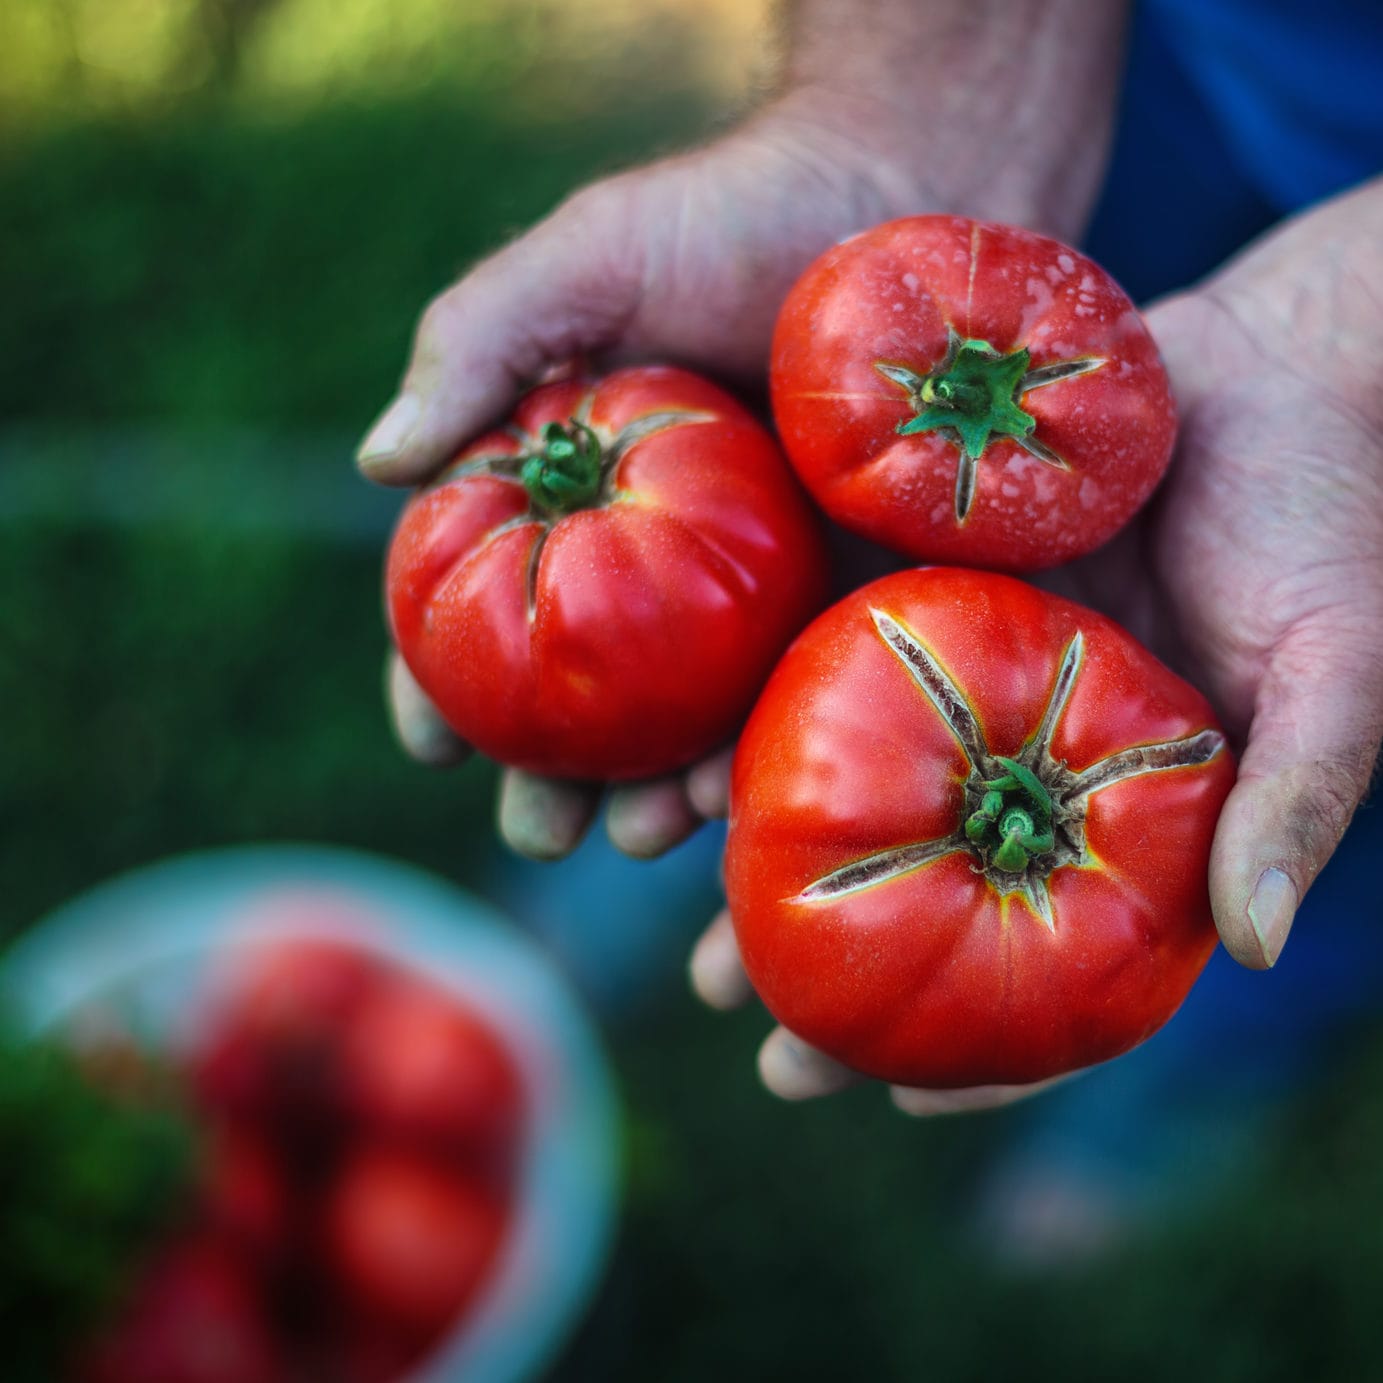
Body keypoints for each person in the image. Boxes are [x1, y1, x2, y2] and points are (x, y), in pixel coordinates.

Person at [356, 0, 1383, 1113]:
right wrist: (912, 94)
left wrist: (1350, 338)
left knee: (1302, 781)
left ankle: (1214, 1048)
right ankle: (723, 818)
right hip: (1198, 50)